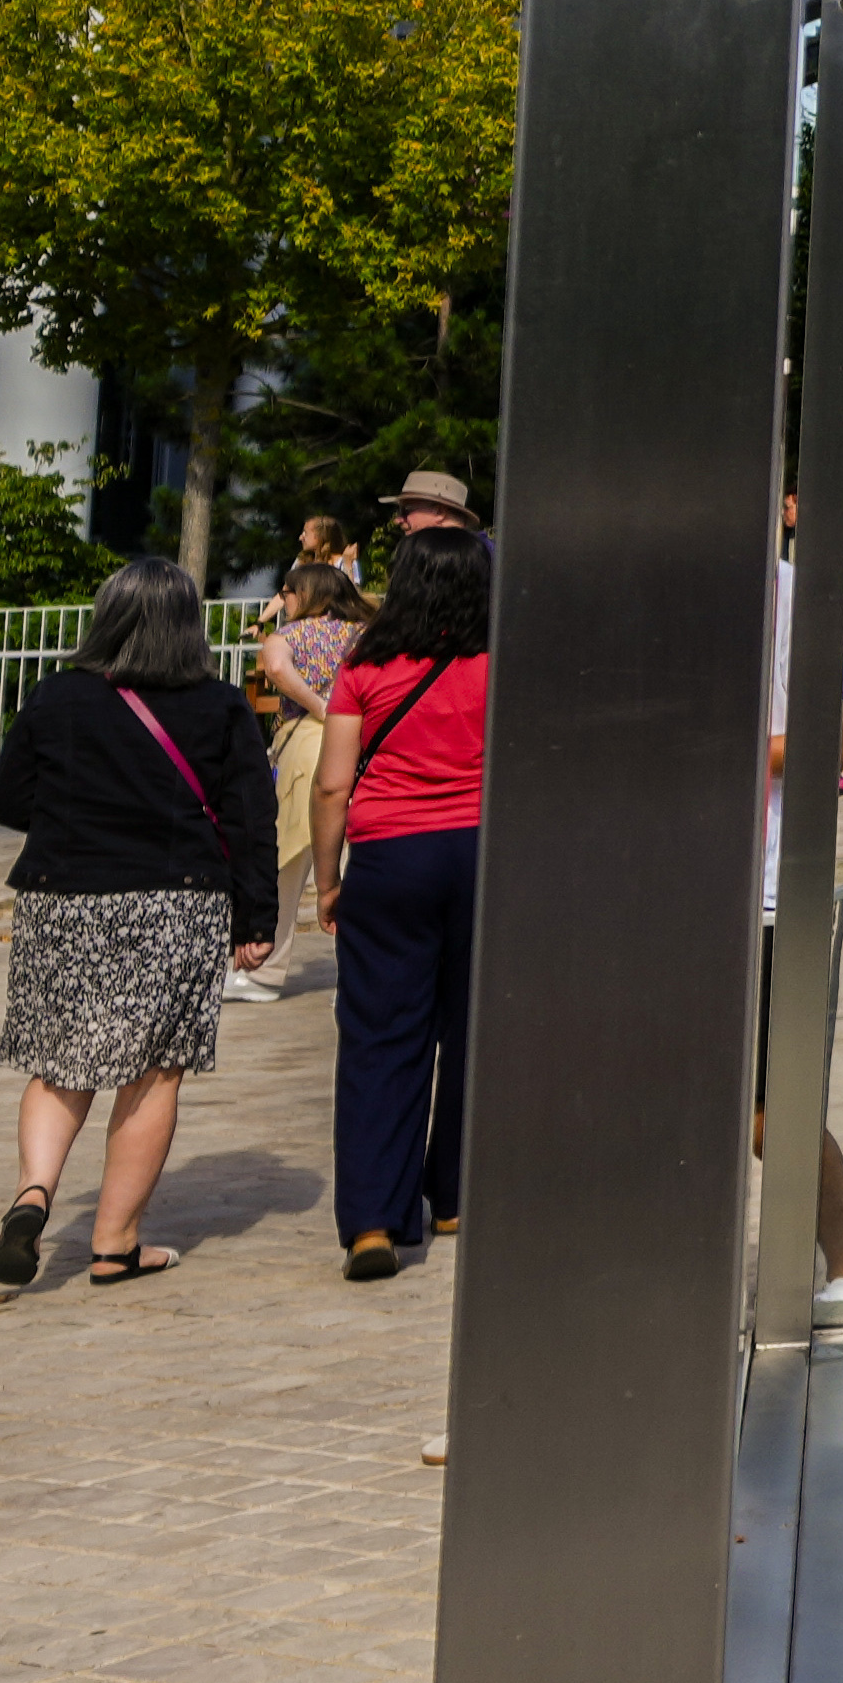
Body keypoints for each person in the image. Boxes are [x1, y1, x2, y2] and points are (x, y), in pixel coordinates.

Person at [0, 555, 277, 1295]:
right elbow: (249, 817)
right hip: (176, 902)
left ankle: (33, 1195)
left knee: (60, 1060)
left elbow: (5, 798)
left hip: (65, 895)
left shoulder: (58, 697)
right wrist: (257, 914)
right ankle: (114, 1245)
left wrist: (72, 815)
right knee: (153, 1069)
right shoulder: (218, 706)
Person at [322, 522, 493, 1282]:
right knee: (473, 1026)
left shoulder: (364, 662)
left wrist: (329, 877)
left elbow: (333, 781)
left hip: (390, 857)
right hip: (484, 853)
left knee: (380, 1035)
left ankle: (372, 1220)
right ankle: (454, 1193)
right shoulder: (502, 661)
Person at [248, 560, 364, 950]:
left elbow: (277, 669)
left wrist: (319, 705)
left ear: (306, 593)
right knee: (352, 856)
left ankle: (268, 960)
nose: (283, 600)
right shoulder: (363, 634)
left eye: (287, 592)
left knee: (289, 855)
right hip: (359, 744)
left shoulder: (289, 634)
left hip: (305, 739)